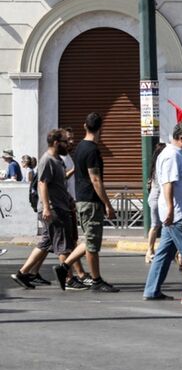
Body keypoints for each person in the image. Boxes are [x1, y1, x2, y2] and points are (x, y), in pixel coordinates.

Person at [54, 112, 119, 292]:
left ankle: (64, 267)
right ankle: (96, 280)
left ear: (85, 126)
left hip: (82, 199)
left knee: (89, 240)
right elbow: (95, 179)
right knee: (92, 244)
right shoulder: (92, 150)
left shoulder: (80, 147)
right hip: (90, 201)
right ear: (101, 128)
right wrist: (108, 204)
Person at [10, 129, 76, 289]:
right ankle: (69, 279)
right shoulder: (47, 160)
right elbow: (42, 183)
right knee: (63, 244)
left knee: (47, 242)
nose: (67, 145)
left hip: (60, 205)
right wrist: (47, 207)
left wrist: (69, 199)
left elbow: (59, 182)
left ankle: (23, 273)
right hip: (53, 209)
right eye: (64, 142)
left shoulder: (57, 160)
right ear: (55, 143)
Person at [143, 122, 182, 301]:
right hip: (176, 214)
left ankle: (151, 290)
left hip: (174, 213)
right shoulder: (172, 155)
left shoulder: (177, 154)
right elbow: (168, 184)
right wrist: (171, 210)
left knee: (164, 254)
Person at [145, 142, 167, 264]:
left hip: (154, 199)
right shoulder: (160, 167)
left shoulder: (154, 166)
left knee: (156, 225)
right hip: (157, 199)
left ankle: (150, 251)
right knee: (157, 225)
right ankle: (150, 251)